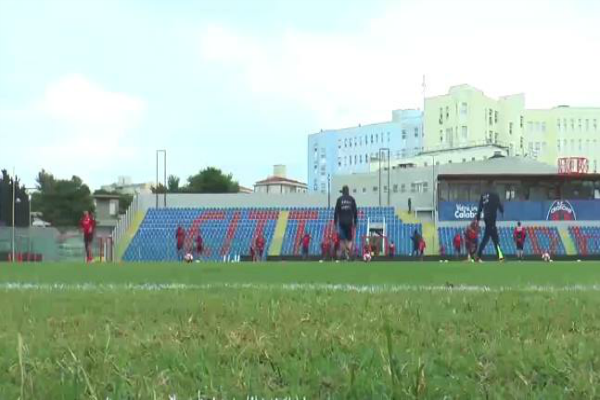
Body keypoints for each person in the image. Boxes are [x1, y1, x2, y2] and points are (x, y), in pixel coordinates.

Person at [476, 182, 505, 262]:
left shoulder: (483, 195)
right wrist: (502, 210)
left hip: (486, 218)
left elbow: (480, 207)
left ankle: (500, 257)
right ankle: (479, 255)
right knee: (490, 239)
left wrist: (478, 219)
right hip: (492, 218)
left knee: (492, 238)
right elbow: (500, 206)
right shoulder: (495, 195)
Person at [334, 185, 358, 261]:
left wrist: (335, 223)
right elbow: (355, 212)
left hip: (341, 222)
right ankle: (347, 252)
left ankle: (343, 253)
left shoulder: (339, 199)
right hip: (349, 222)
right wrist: (355, 222)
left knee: (342, 239)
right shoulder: (352, 199)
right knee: (349, 239)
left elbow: (336, 212)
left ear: (343, 192)